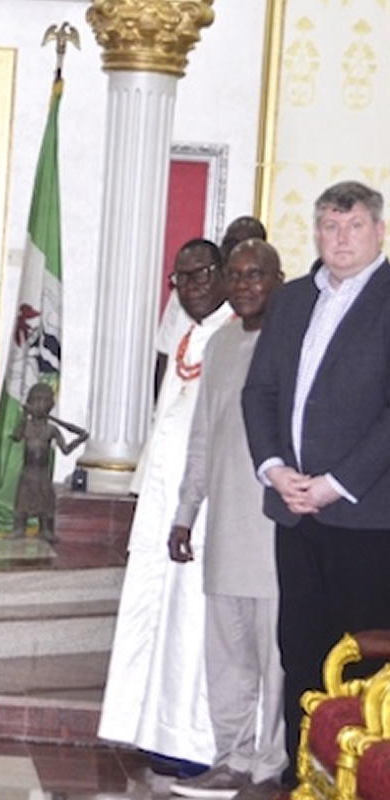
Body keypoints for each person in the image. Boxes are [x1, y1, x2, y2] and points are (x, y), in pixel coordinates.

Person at [242, 180, 390, 795]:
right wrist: (274, 468)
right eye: (330, 226)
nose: (341, 238)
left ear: (379, 232)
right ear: (316, 232)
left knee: (366, 656)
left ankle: (363, 781)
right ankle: (301, 773)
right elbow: (260, 391)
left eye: (354, 226)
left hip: (367, 517)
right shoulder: (295, 298)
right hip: (294, 509)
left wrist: (335, 483)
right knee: (298, 648)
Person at [98, 238, 233, 774]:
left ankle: (194, 742)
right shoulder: (187, 334)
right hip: (162, 505)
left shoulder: (237, 334)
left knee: (191, 622)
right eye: (181, 278)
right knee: (155, 612)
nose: (192, 286)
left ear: (222, 273)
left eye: (202, 274)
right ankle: (153, 729)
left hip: (204, 509)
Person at [167, 239, 287, 797]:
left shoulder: (293, 342)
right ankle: (231, 758)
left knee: (276, 661)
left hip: (276, 533)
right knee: (228, 660)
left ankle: (270, 767)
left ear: (278, 279)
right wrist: (185, 513)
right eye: (235, 275)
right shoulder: (218, 345)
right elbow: (203, 437)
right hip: (224, 533)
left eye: (255, 274)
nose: (244, 285)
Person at [155, 217, 266, 398]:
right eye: (231, 243)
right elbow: (164, 352)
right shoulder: (183, 292)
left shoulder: (251, 312)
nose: (236, 252)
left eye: (246, 247)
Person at [11, 383, 88, 542]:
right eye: (35, 401)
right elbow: (16, 436)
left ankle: (45, 529)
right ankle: (19, 528)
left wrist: (79, 440)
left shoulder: (51, 430)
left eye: (43, 402)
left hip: (42, 474)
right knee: (22, 501)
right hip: (27, 473)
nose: (39, 405)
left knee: (45, 502)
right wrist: (24, 416)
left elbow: (65, 450)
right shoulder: (26, 426)